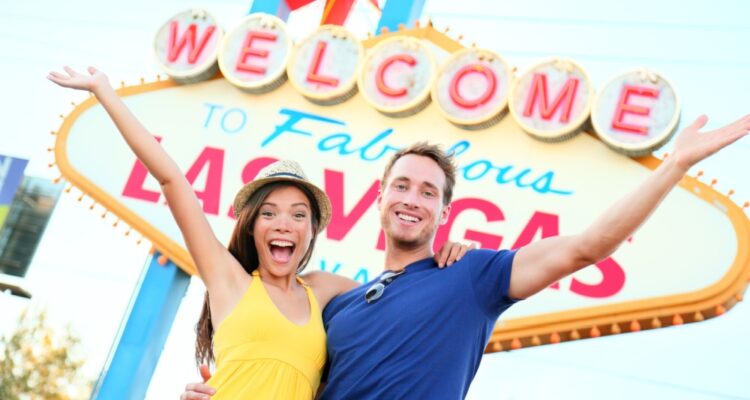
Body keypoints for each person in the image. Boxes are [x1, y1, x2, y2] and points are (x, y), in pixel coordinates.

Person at [182, 112, 749, 399]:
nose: (413, 199)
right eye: (402, 185)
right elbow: (284, 365)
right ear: (380, 199)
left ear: (444, 212)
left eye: (429, 192)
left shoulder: (473, 276)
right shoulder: (337, 304)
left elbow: (588, 247)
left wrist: (674, 166)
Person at [47, 66, 473, 399]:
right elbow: (172, 179)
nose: (284, 224)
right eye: (269, 213)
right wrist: (105, 92)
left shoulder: (324, 290)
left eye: (298, 215)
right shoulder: (229, 281)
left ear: (312, 231)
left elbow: (403, 296)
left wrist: (451, 256)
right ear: (252, 228)